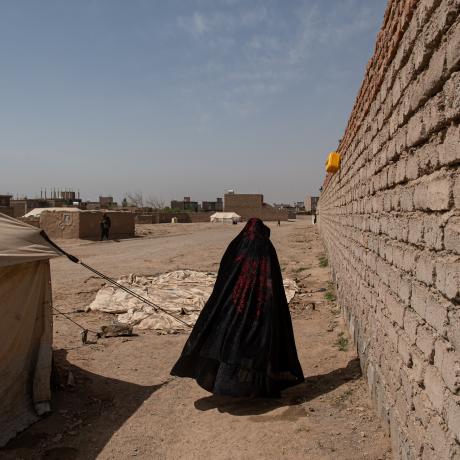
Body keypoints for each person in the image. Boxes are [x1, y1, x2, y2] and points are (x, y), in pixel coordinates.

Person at [171, 218, 304, 398]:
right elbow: (273, 282)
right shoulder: (266, 248)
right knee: (256, 344)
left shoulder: (238, 246)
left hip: (236, 305)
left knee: (232, 342)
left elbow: (225, 276)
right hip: (259, 308)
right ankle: (254, 387)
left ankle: (239, 386)